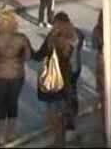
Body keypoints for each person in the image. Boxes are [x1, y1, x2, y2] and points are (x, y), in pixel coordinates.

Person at [0, 11, 32, 147]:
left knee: (0, 104)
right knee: (13, 103)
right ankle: (12, 133)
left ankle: (1, 137)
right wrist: (18, 59)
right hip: (17, 74)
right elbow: (28, 56)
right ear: (14, 23)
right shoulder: (21, 38)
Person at [32, 13, 81, 148]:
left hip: (57, 78)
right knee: (70, 104)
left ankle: (59, 141)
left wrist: (29, 51)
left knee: (54, 110)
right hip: (72, 74)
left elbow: (39, 55)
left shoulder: (54, 37)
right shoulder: (77, 34)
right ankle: (71, 132)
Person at [52, 12, 84, 135]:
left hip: (68, 68)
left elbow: (62, 51)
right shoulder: (77, 32)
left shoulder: (62, 34)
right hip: (76, 66)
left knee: (67, 93)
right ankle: (72, 117)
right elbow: (80, 44)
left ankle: (69, 120)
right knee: (72, 91)